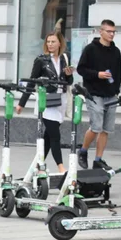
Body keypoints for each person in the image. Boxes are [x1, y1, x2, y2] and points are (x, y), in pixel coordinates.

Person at [16, 32, 74, 173]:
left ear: (60, 43)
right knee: (55, 135)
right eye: (48, 42)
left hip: (60, 100)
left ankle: (38, 165)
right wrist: (21, 103)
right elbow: (31, 82)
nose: (50, 44)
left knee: (48, 137)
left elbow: (69, 82)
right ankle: (61, 167)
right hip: (46, 101)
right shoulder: (41, 60)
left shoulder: (64, 58)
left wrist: (69, 75)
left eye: (53, 42)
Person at [75, 20, 121, 170]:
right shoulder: (90, 49)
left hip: (111, 94)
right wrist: (97, 74)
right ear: (100, 31)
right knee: (96, 127)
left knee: (106, 129)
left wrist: (116, 90)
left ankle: (98, 159)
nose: (111, 34)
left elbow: (118, 73)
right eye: (109, 31)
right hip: (94, 93)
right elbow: (81, 69)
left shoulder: (116, 52)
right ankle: (83, 151)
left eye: (113, 32)